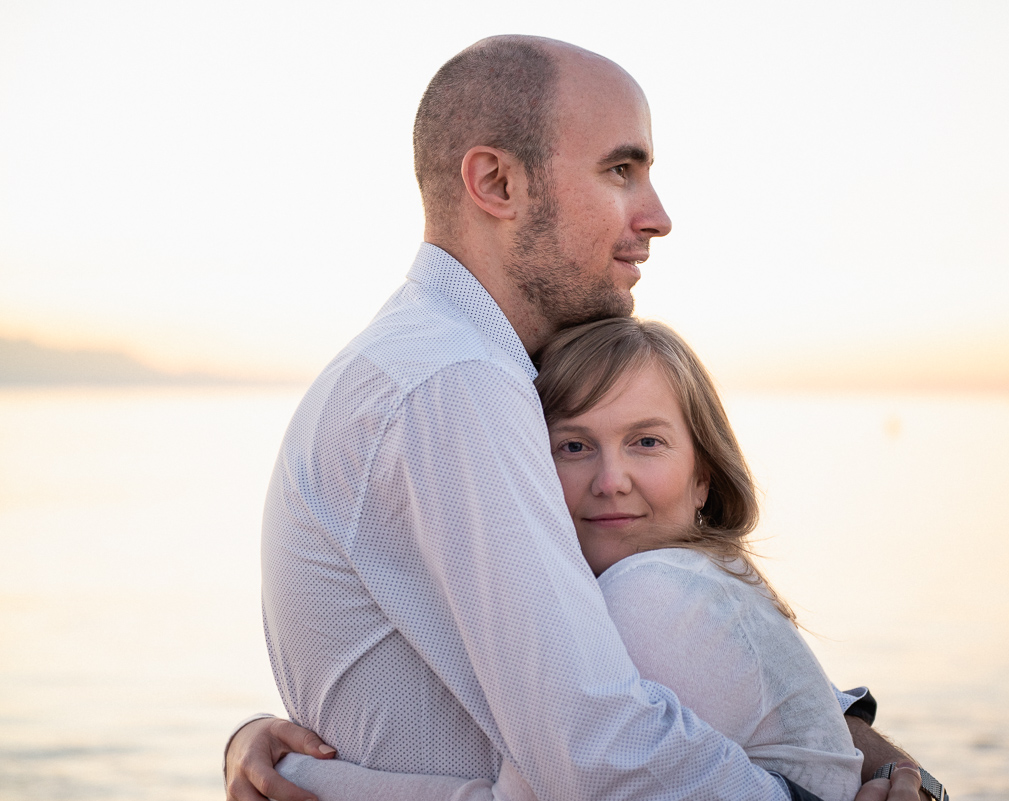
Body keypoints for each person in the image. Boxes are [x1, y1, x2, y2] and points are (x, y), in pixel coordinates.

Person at [224, 34, 929, 801]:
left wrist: (889, 771)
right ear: (496, 182)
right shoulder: (454, 381)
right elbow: (596, 749)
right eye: (621, 171)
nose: (657, 217)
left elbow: (695, 662)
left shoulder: (458, 369)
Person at [268, 317, 870, 801]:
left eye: (647, 442)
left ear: (703, 478)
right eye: (574, 446)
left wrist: (295, 774)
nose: (611, 480)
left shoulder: (653, 589)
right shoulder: (707, 580)